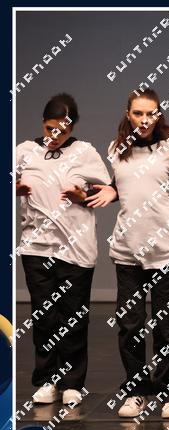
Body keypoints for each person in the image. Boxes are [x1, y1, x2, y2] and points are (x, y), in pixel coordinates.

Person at [85, 88, 169, 419]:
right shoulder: (116, 149)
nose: (144, 119)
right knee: (130, 325)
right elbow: (125, 185)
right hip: (128, 249)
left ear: (158, 115)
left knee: (168, 324)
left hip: (168, 248)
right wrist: (111, 189)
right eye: (138, 113)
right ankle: (137, 391)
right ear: (128, 114)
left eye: (150, 113)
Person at [16, 93, 111, 406]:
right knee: (44, 316)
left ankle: (72, 382)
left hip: (76, 248)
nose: (55, 136)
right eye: (50, 129)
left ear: (72, 128)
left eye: (63, 131)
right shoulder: (25, 151)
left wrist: (82, 195)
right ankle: (46, 380)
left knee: (73, 317)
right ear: (42, 123)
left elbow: (109, 189)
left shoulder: (84, 152)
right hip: (36, 247)